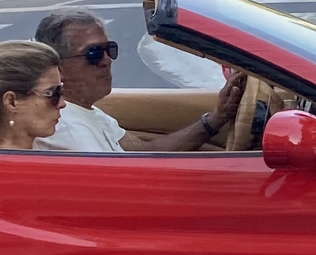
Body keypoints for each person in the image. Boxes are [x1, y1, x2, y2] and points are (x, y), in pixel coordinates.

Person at [32, 8, 243, 153]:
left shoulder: (86, 112)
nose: (107, 61)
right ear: (58, 66)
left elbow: (146, 152)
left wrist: (216, 119)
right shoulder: (65, 129)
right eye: (94, 53)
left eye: (110, 49)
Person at [0, 42, 67, 151]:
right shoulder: (13, 165)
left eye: (61, 90)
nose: (62, 104)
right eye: (52, 93)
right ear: (11, 102)